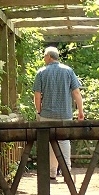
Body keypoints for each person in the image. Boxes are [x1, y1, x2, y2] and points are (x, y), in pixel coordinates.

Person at [33, 45, 84, 182]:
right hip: (65, 114)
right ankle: (66, 171)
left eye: (44, 56)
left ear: (49, 56)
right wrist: (80, 111)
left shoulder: (41, 72)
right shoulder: (68, 71)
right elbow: (76, 92)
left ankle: (52, 172)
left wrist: (39, 111)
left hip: (47, 114)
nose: (44, 59)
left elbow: (37, 96)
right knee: (64, 141)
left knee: (49, 143)